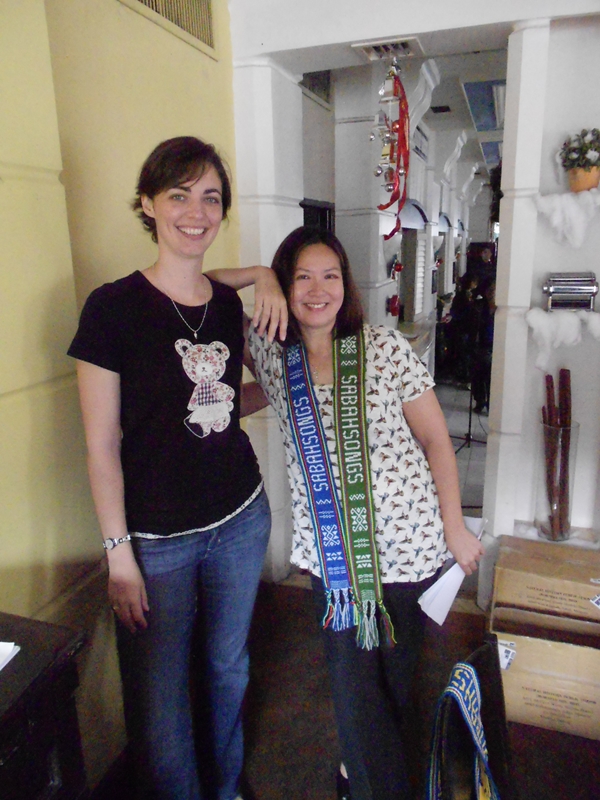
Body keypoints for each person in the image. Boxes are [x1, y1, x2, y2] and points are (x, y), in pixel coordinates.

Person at [214, 226, 484, 800]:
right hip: (334, 556)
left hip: (409, 546)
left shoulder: (384, 347)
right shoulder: (271, 353)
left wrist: (456, 526)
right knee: (353, 686)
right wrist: (257, 275)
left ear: (347, 285)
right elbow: (203, 287)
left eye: (330, 276)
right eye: (301, 277)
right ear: (284, 287)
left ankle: (352, 772)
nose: (318, 290)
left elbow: (437, 440)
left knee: (394, 680)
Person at [68, 136, 286, 800]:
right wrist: (119, 554)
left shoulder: (224, 306)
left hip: (240, 518)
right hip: (156, 543)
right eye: (179, 195)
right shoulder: (112, 308)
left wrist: (264, 279)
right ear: (148, 204)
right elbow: (101, 444)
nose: (197, 212)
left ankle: (225, 789)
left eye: (211, 198)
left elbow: (222, 398)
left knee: (228, 669)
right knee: (159, 701)